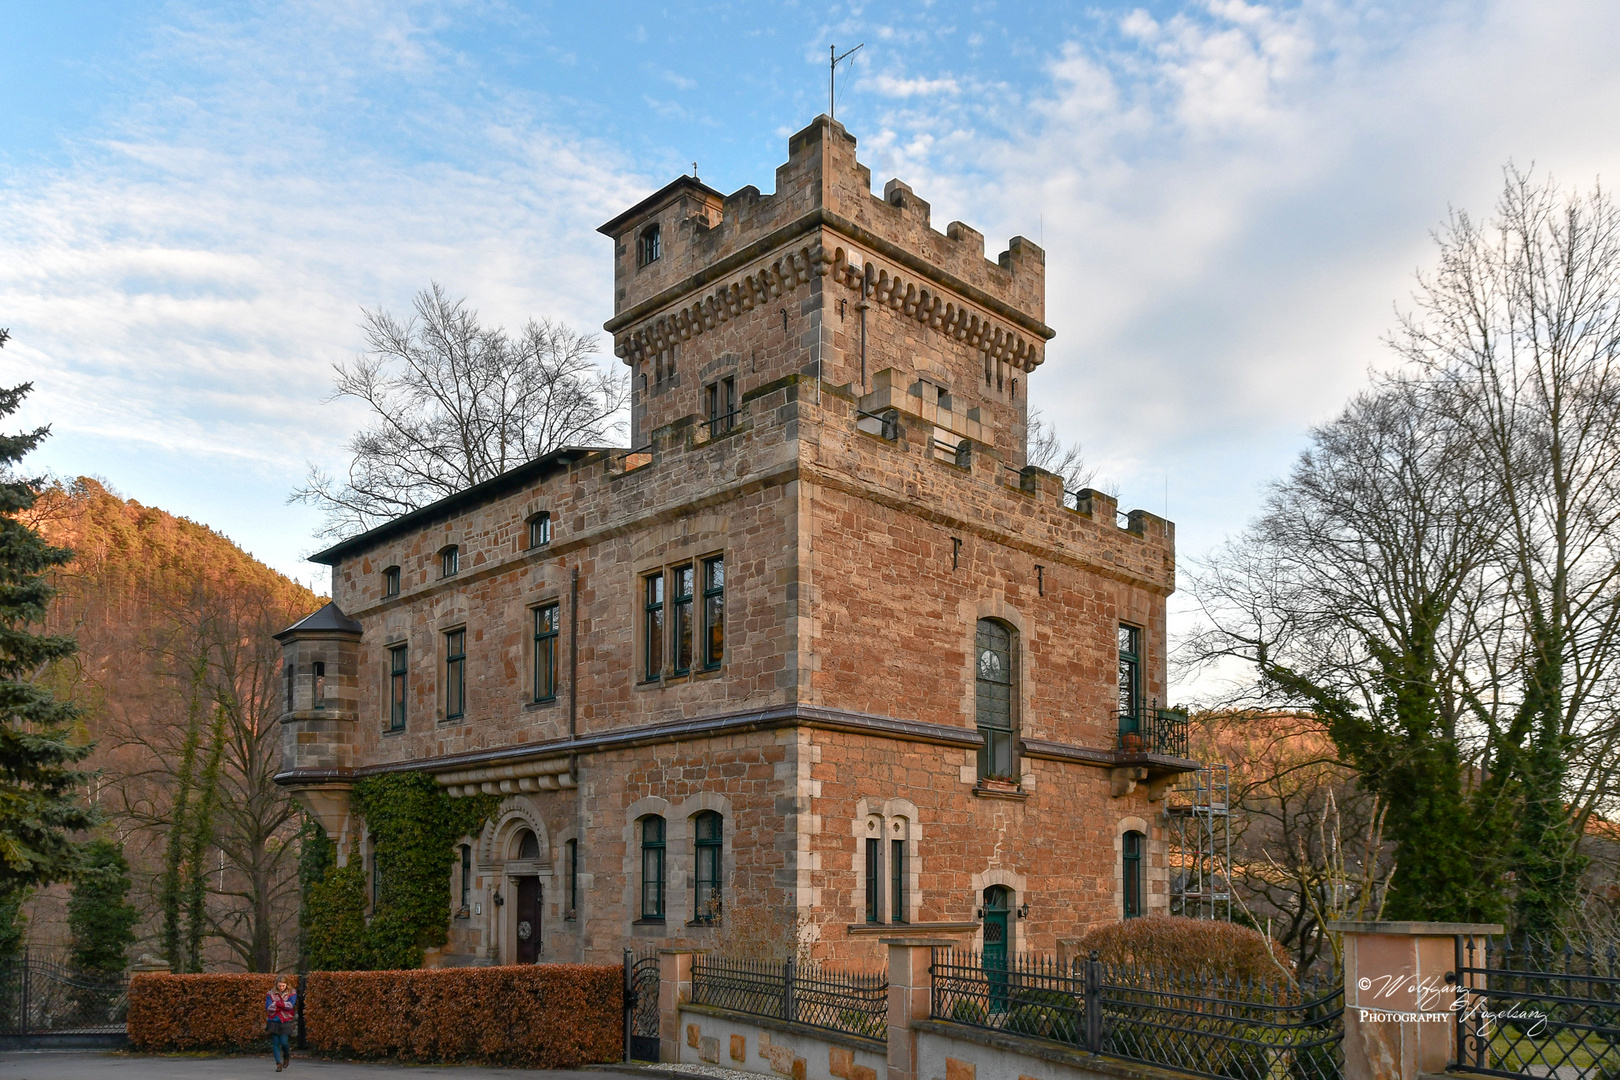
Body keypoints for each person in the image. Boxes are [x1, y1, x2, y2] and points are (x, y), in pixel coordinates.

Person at [266, 975, 297, 1071]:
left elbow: (290, 1005)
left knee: (284, 1042)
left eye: (283, 986)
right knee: (275, 1042)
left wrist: (277, 1004)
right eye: (280, 986)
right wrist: (282, 1005)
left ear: (286, 985)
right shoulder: (270, 993)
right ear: (276, 985)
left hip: (286, 1020)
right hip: (273, 1020)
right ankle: (278, 1063)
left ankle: (286, 1057)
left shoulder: (292, 993)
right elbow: (269, 1007)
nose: (281, 987)